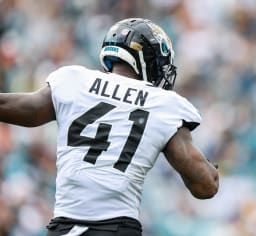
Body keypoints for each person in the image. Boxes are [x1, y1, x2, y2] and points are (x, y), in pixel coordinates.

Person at [0, 18, 219, 236]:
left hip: (63, 228)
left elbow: (27, 109)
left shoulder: (74, 81)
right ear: (149, 60)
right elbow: (205, 186)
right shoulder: (163, 104)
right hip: (116, 228)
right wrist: (212, 170)